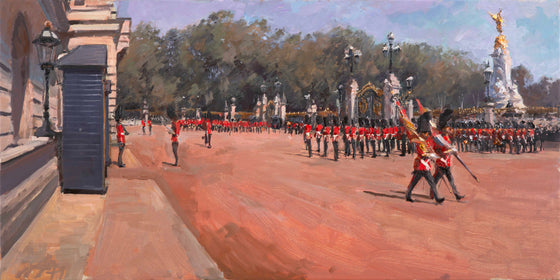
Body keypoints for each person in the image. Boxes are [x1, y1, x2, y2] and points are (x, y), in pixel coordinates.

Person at [404, 111, 445, 204]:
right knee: (415, 182)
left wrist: (435, 155)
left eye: (427, 133)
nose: (427, 135)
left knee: (430, 182)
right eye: (425, 133)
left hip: (425, 166)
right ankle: (408, 194)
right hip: (421, 165)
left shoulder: (426, 141)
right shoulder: (419, 141)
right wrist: (430, 155)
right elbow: (422, 153)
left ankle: (437, 197)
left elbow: (430, 151)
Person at [432, 109, 464, 201]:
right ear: (443, 129)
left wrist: (452, 150)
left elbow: (448, 147)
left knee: (451, 180)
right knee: (435, 180)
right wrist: (448, 151)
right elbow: (437, 149)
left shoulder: (447, 137)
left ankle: (456, 194)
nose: (449, 130)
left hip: (447, 162)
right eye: (447, 128)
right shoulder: (439, 138)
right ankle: (433, 193)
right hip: (441, 162)